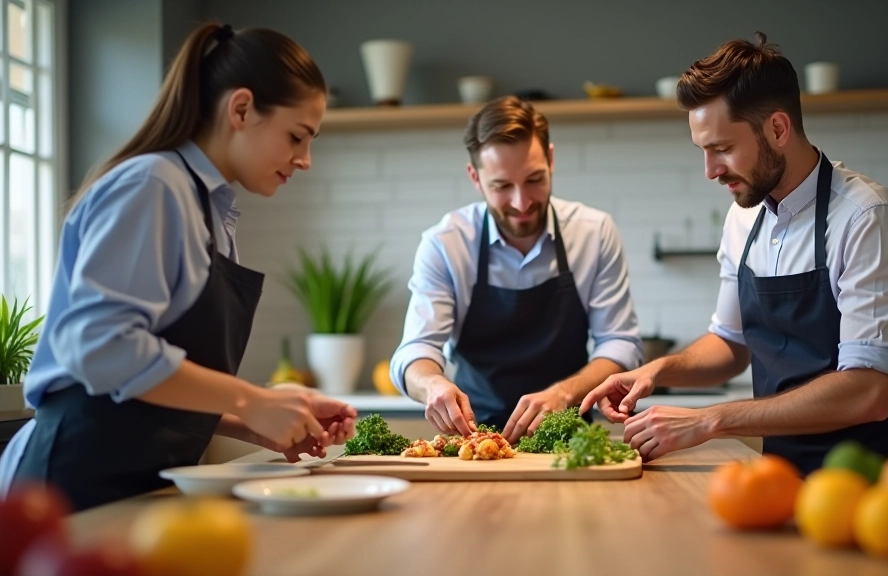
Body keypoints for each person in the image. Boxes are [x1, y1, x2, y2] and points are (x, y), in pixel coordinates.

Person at [0, 22, 357, 511]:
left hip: (136, 484)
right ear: (241, 109)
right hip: (68, 483)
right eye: (297, 136)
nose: (305, 159)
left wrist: (259, 416)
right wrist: (250, 401)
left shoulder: (212, 209)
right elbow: (100, 346)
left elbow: (153, 380)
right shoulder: (153, 185)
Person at [581, 33, 888, 475]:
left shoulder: (867, 218)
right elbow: (730, 344)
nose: (710, 171)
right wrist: (656, 372)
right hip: (777, 476)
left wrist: (709, 419)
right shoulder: (743, 218)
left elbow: (867, 392)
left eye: (722, 149)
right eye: (703, 151)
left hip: (866, 484)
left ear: (778, 129)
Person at [391, 96, 643, 443]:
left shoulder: (594, 232)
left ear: (551, 159)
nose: (521, 202)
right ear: (475, 178)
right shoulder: (445, 244)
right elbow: (415, 350)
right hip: (474, 440)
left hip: (569, 443)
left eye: (534, 180)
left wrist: (566, 393)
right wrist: (432, 384)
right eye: (502, 186)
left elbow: (620, 344)